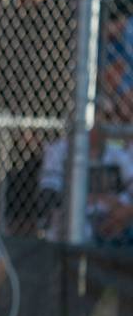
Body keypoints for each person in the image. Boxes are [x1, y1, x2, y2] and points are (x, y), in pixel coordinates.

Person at [0, 0, 75, 235]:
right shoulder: (13, 15)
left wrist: (43, 129)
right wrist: (20, 124)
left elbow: (61, 74)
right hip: (19, 126)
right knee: (16, 202)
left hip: (52, 125)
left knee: (48, 204)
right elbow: (4, 72)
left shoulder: (60, 13)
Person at [38, 104, 133, 246]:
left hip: (114, 220)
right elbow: (49, 194)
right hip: (74, 220)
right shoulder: (58, 151)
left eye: (105, 121)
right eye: (96, 121)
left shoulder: (117, 154)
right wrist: (94, 199)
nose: (102, 126)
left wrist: (124, 212)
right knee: (84, 229)